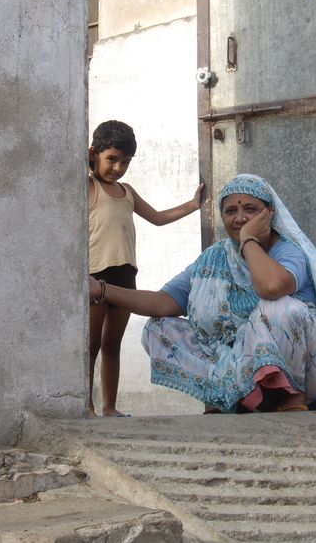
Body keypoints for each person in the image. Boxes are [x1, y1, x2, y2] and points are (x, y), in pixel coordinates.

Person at [90, 173, 316, 414]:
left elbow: (271, 287)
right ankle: (226, 397)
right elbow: (160, 303)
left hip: (308, 373)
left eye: (250, 210)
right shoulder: (215, 257)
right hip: (237, 368)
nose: (240, 218)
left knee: (281, 308)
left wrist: (248, 240)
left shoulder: (287, 252)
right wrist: (102, 289)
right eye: (230, 211)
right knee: (158, 328)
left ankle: (289, 398)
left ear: (269, 214)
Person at [89, 119, 203, 417]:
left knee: (111, 343)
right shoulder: (88, 187)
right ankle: (84, 406)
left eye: (124, 162)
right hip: (94, 276)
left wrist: (192, 206)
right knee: (89, 347)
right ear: (94, 154)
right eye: (111, 159)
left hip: (125, 276)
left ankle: (109, 407)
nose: (117, 168)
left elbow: (157, 217)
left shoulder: (127, 191)